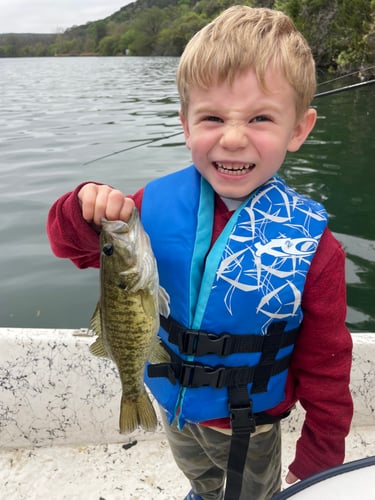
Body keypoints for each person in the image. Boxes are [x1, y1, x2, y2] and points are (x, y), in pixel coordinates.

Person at [47, 6, 353, 500]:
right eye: (212, 117)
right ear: (186, 126)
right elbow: (75, 247)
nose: (233, 138)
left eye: (260, 118)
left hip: (247, 425)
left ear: (298, 129)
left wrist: (322, 451)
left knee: (249, 492)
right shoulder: (146, 210)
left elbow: (327, 365)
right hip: (171, 404)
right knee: (200, 478)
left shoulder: (315, 251)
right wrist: (81, 207)